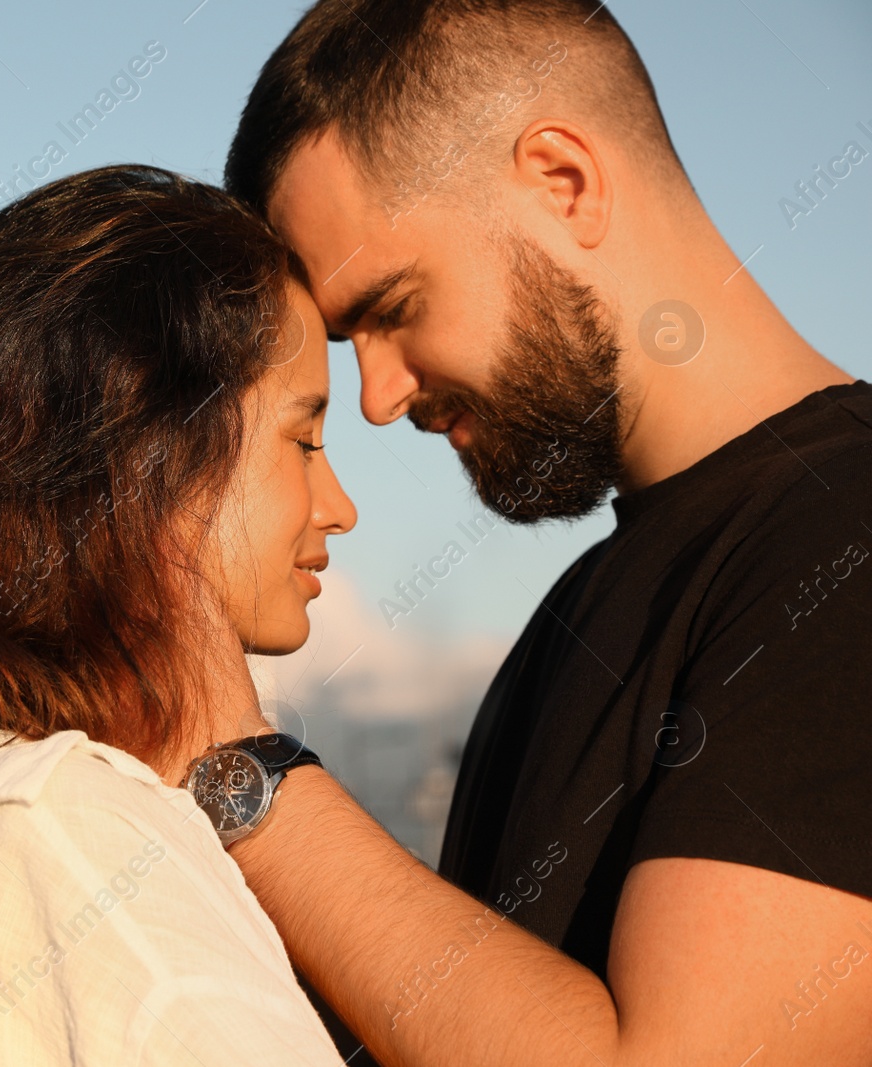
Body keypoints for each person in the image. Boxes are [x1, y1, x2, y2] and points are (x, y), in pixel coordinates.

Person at [203, 1, 872, 1064]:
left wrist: (228, 761)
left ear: (564, 181)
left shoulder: (845, 538)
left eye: (392, 305)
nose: (375, 398)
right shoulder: (575, 615)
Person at [0, 164, 357, 1064]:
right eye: (304, 439)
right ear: (152, 456)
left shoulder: (29, 823)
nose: (338, 504)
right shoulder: (72, 839)